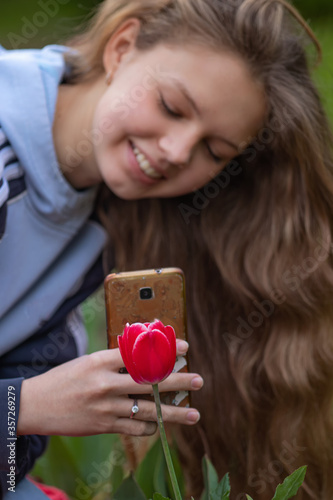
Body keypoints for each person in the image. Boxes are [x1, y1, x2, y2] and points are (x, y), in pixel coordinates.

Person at [0, 0, 332, 499]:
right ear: (122, 47)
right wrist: (23, 407)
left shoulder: (116, 223)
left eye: (214, 152)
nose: (177, 152)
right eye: (172, 107)